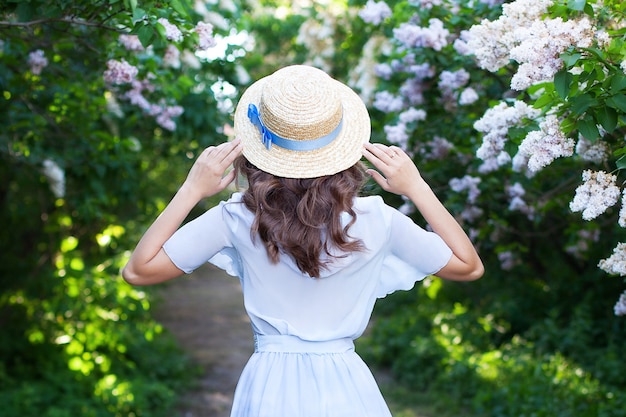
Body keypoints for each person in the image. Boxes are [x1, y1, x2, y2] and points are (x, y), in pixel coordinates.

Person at [122, 65, 483, 417]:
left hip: (269, 386)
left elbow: (138, 271)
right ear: (342, 148)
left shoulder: (237, 217)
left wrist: (191, 190)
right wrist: (417, 188)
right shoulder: (378, 219)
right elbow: (468, 267)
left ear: (259, 147)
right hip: (347, 386)